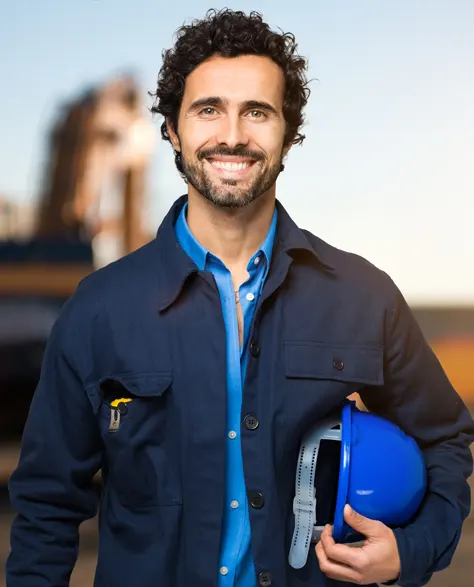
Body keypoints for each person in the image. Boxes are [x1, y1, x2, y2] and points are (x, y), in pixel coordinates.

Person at [6, 8, 474, 587]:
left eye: (257, 111)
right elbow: (48, 505)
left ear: (288, 133)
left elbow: (446, 440)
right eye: (209, 110)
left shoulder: (363, 296)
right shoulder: (98, 310)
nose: (232, 134)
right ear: (173, 130)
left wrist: (413, 549)